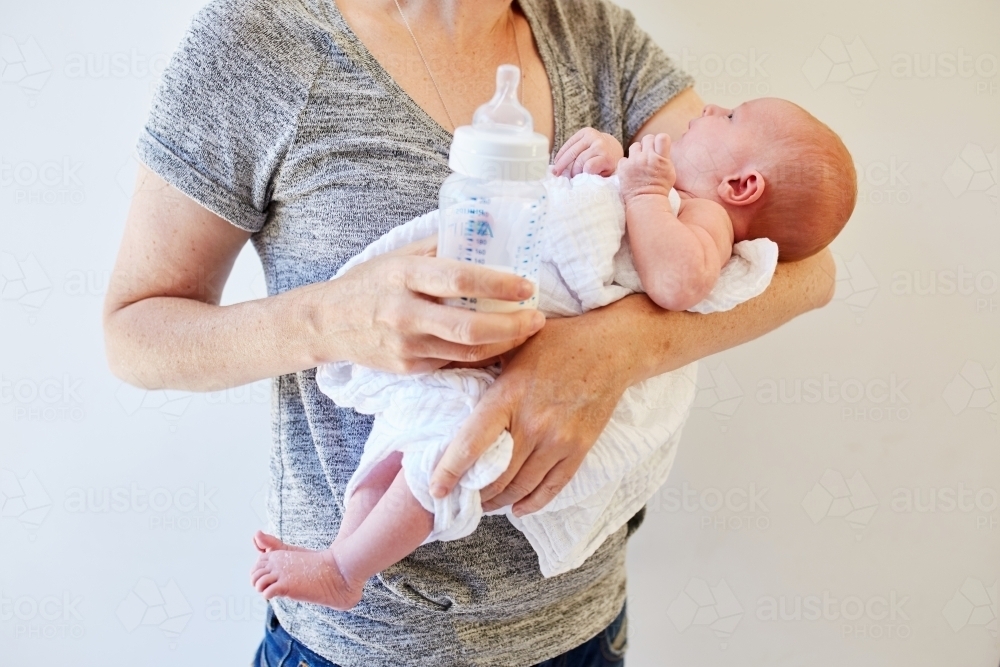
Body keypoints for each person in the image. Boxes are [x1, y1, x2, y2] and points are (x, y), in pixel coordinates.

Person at [102, 0, 837, 664]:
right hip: (368, 647)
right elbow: (136, 333)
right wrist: (331, 319)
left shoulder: (591, 33)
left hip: (580, 630)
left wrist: (613, 350)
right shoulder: (260, 39)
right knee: (416, 459)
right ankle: (347, 559)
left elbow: (799, 263)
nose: (720, 114)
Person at [248, 98, 856, 609]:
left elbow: (676, 282)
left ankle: (347, 569)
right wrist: (606, 163)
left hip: (513, 370)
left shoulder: (707, 219)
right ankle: (341, 548)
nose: (714, 107)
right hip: (497, 317)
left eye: (731, 117)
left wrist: (643, 189)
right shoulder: (666, 184)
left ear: (741, 186)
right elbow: (598, 211)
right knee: (392, 454)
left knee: (438, 461)